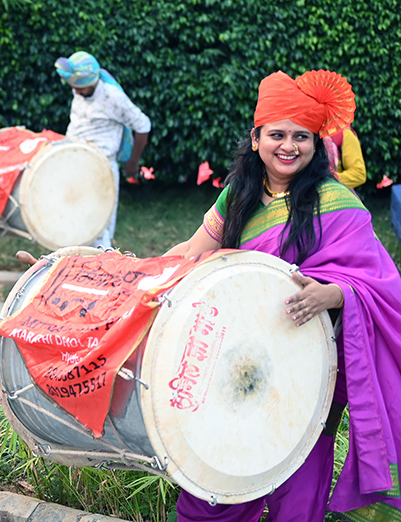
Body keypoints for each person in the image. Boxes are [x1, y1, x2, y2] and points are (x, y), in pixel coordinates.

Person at [167, 70, 401, 521]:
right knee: (218, 481)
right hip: (233, 362)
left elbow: (383, 286)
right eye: (276, 134)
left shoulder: (339, 204)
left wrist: (333, 295)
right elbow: (193, 252)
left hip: (309, 369)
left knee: (297, 489)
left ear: (316, 146)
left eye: (301, 136)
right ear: (256, 140)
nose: (288, 146)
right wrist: (127, 270)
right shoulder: (238, 195)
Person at [55, 51, 151, 248]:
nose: (77, 92)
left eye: (81, 88)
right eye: (74, 88)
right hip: (75, 163)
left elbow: (143, 126)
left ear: (92, 80)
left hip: (101, 167)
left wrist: (133, 161)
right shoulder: (79, 88)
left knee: (99, 227)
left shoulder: (112, 97)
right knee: (73, 222)